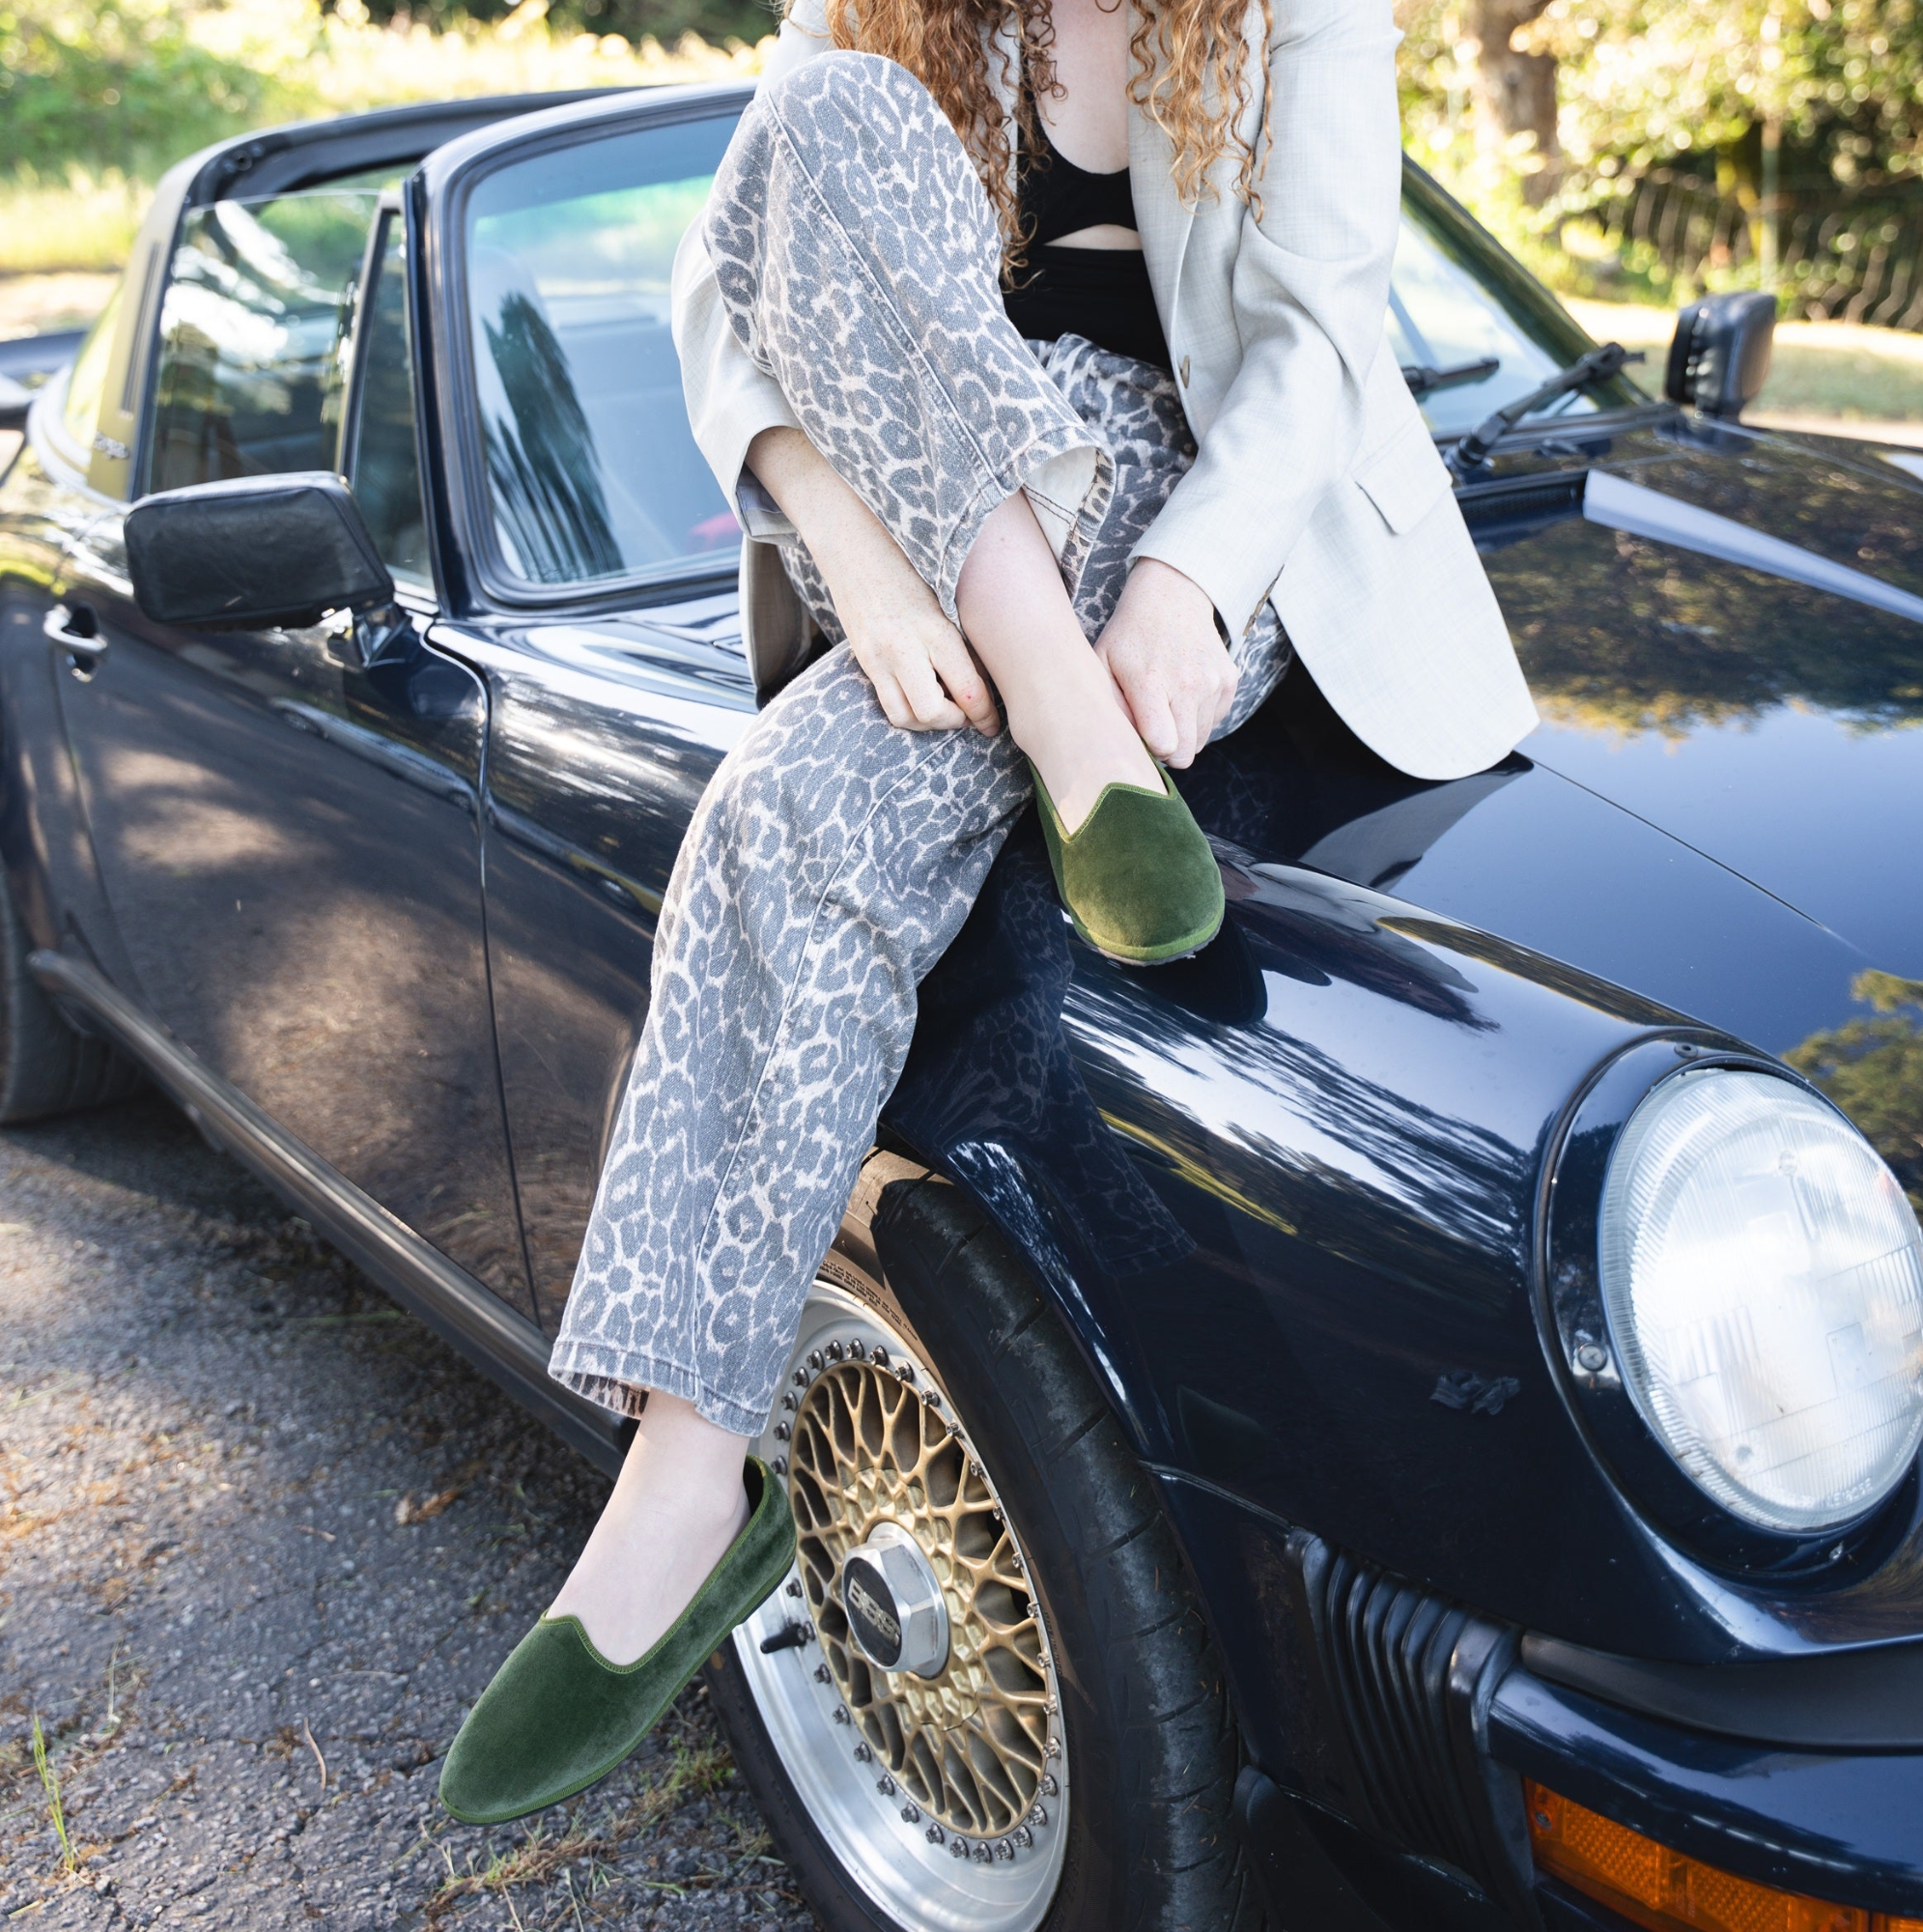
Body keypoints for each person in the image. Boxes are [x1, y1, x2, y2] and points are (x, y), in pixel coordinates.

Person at [438, 0, 1537, 1825]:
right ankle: (684, 1480)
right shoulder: (875, 18)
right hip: (962, 545)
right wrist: (854, 556)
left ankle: (682, 1498)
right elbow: (728, 296)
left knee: (783, 814)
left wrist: (1186, 576)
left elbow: (1318, 333)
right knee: (774, 812)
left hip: (1220, 514)